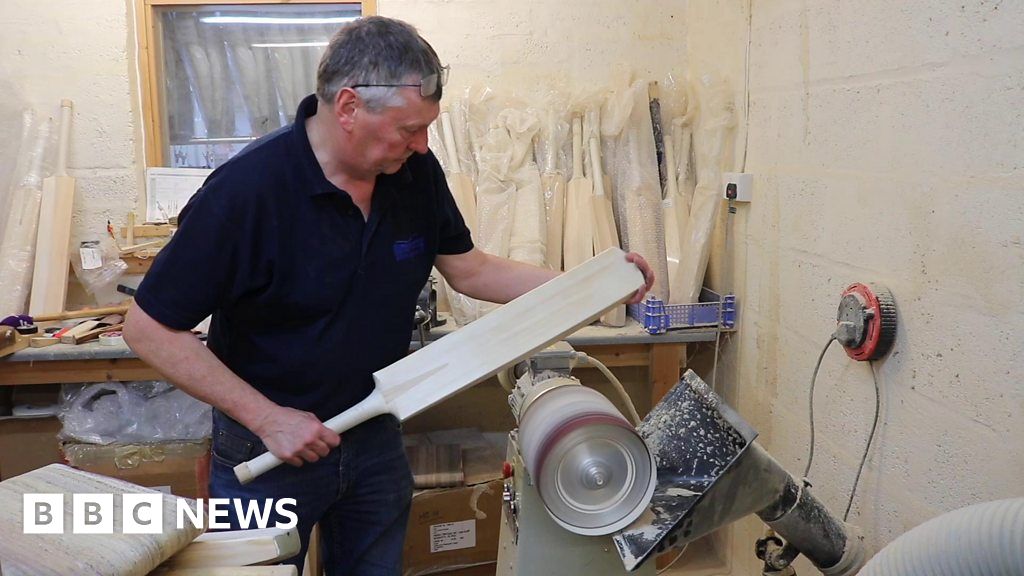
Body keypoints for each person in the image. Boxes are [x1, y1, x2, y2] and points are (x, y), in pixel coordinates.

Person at [123, 15, 654, 575]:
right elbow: (148, 328)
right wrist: (268, 418)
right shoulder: (245, 194)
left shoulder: (415, 174)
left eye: (427, 128)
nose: (423, 145)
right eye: (408, 129)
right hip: (268, 450)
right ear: (349, 107)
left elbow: (470, 271)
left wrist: (593, 283)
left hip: (374, 436)